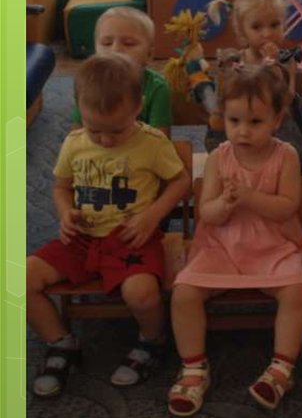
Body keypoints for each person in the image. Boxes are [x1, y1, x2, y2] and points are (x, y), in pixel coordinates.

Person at [26, 55, 190, 398]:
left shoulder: (151, 143)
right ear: (78, 109)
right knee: (19, 280)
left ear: (138, 107)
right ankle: (61, 343)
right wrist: (65, 212)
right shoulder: (74, 142)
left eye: (117, 130)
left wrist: (152, 215)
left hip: (131, 237)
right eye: (95, 129)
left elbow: (180, 181)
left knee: (141, 294)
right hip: (82, 237)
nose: (105, 140)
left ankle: (152, 340)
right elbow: (60, 187)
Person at [167, 64, 302, 416]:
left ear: (277, 120)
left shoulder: (286, 155)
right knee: (184, 292)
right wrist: (225, 204)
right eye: (234, 121)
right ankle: (193, 366)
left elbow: (287, 207)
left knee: (296, 290)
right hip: (222, 243)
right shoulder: (219, 158)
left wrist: (249, 198)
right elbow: (207, 213)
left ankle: (282, 366)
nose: (243, 131)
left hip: (274, 242)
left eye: (255, 122)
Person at [206, 0, 302, 166]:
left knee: (293, 157)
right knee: (220, 156)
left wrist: (272, 66)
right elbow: (224, 100)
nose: (267, 33)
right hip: (240, 126)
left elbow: (286, 98)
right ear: (242, 31)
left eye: (274, 25)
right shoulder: (233, 61)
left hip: (277, 126)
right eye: (256, 27)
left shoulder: (286, 60)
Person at [71, 6, 172, 136]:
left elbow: (161, 138)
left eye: (128, 43)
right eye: (107, 43)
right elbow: (77, 135)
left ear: (149, 54)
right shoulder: (87, 84)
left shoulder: (157, 87)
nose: (116, 50)